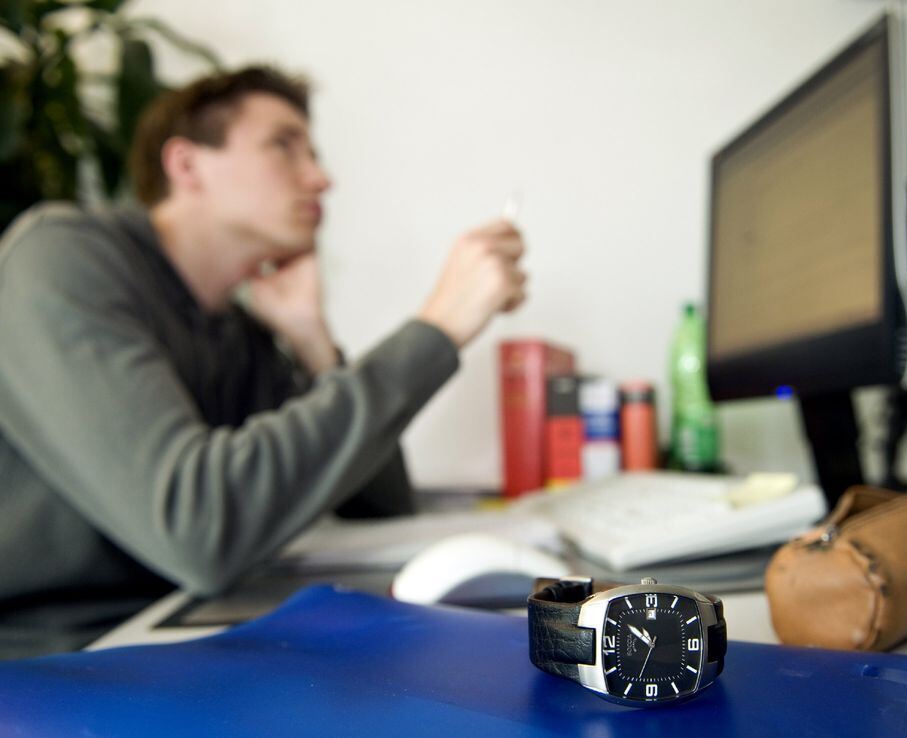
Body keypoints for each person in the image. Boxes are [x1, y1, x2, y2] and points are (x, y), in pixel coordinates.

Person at [0, 66, 527, 657]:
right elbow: (197, 528)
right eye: (283, 145)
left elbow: (377, 506)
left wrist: (313, 343)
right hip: (50, 659)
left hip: (175, 633)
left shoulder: (239, 330)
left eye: (314, 154)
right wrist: (440, 327)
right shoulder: (60, 262)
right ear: (186, 165)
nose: (321, 178)